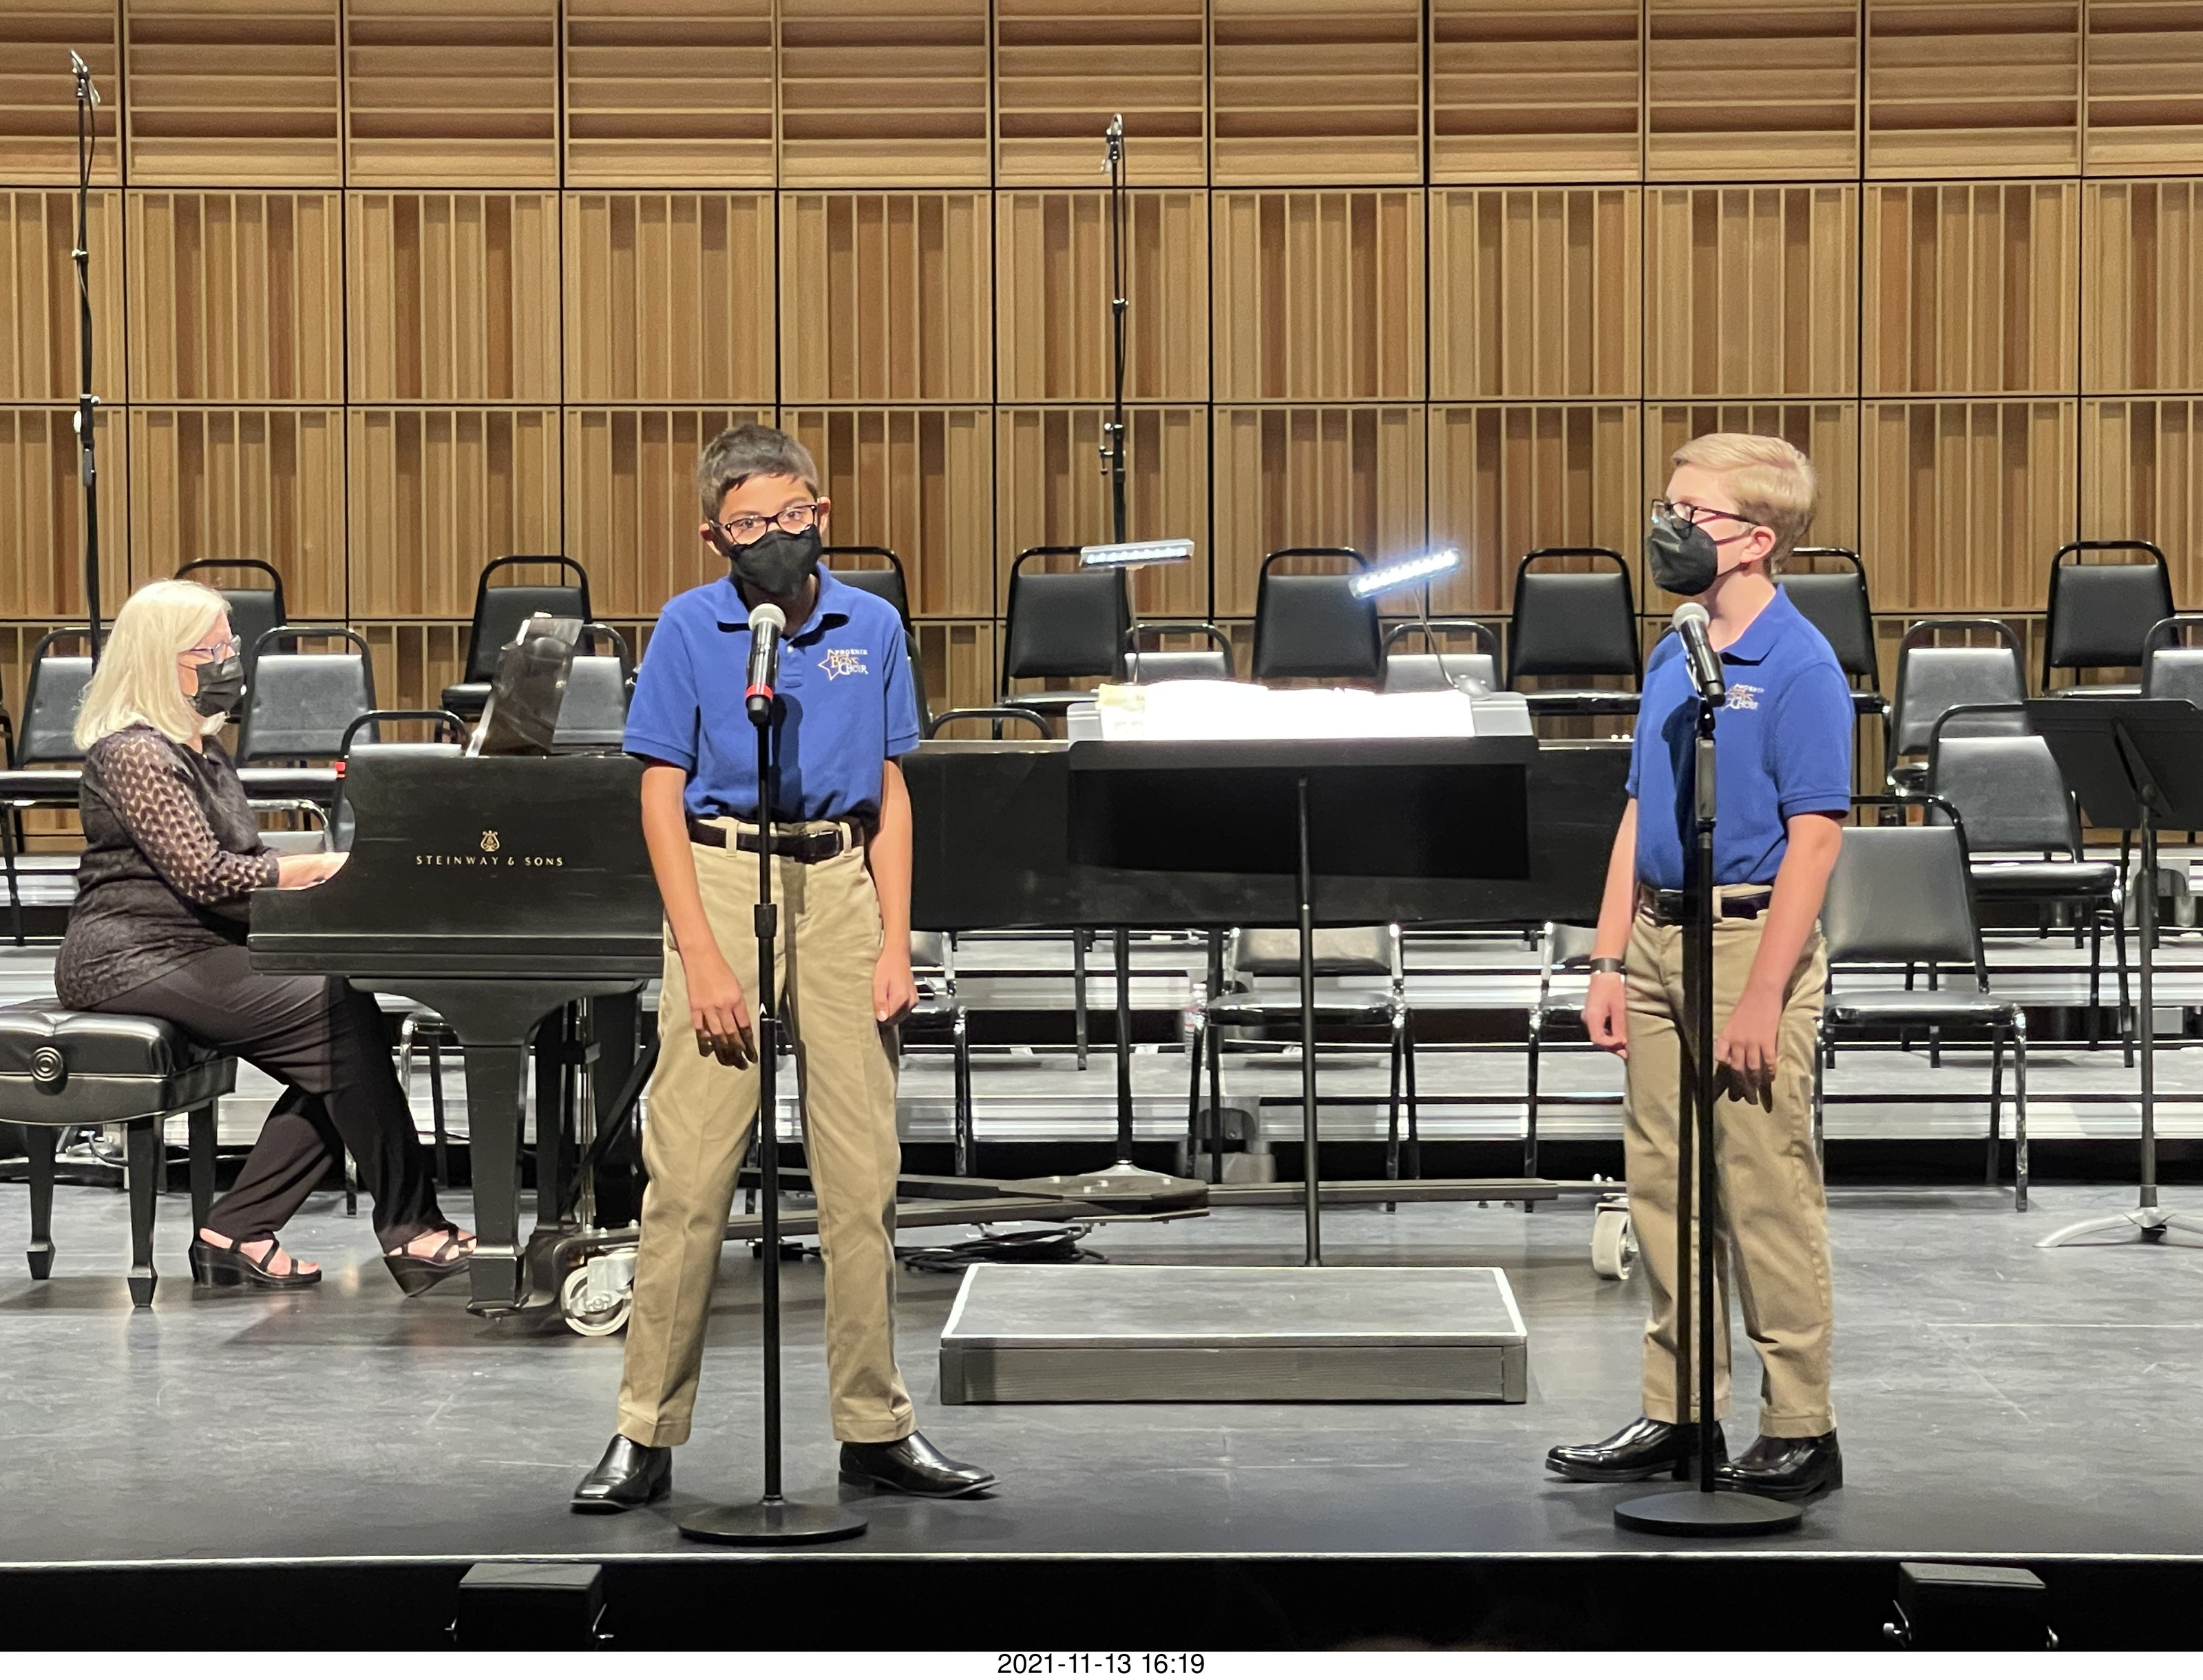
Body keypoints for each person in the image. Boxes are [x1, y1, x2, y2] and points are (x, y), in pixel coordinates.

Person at [573, 423, 994, 1512]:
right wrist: (703, 956)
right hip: (721, 878)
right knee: (690, 1179)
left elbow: (891, 788)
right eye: (750, 523)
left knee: (862, 1180)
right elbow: (659, 791)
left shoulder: (873, 625)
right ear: (714, 535)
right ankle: (645, 1429)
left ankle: (874, 1426)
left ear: (823, 512)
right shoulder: (689, 626)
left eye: (792, 515)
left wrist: (896, 940)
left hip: (840, 880)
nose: (775, 536)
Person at [1544, 433, 1851, 1502]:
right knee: (1663, 1187)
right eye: (1666, 506)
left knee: (1762, 1189)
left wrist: (1764, 993)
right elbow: (1641, 809)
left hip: (1749, 940)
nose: (1667, 528)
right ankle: (1681, 1411)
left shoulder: (1798, 664)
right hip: (1659, 940)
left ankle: (1801, 1425)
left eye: (1692, 513)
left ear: (1758, 540)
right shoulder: (1674, 650)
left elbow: (1816, 839)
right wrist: (1607, 956)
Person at [54, 578, 474, 1295]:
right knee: (339, 1018)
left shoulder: (201, 749)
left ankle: (238, 1229)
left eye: (231, 645)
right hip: (130, 956)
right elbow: (208, 875)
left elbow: (240, 865)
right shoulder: (134, 753)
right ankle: (410, 1227)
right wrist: (322, 867)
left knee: (348, 1037)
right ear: (160, 659)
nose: (230, 661)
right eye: (211, 650)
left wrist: (328, 878)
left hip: (195, 943)